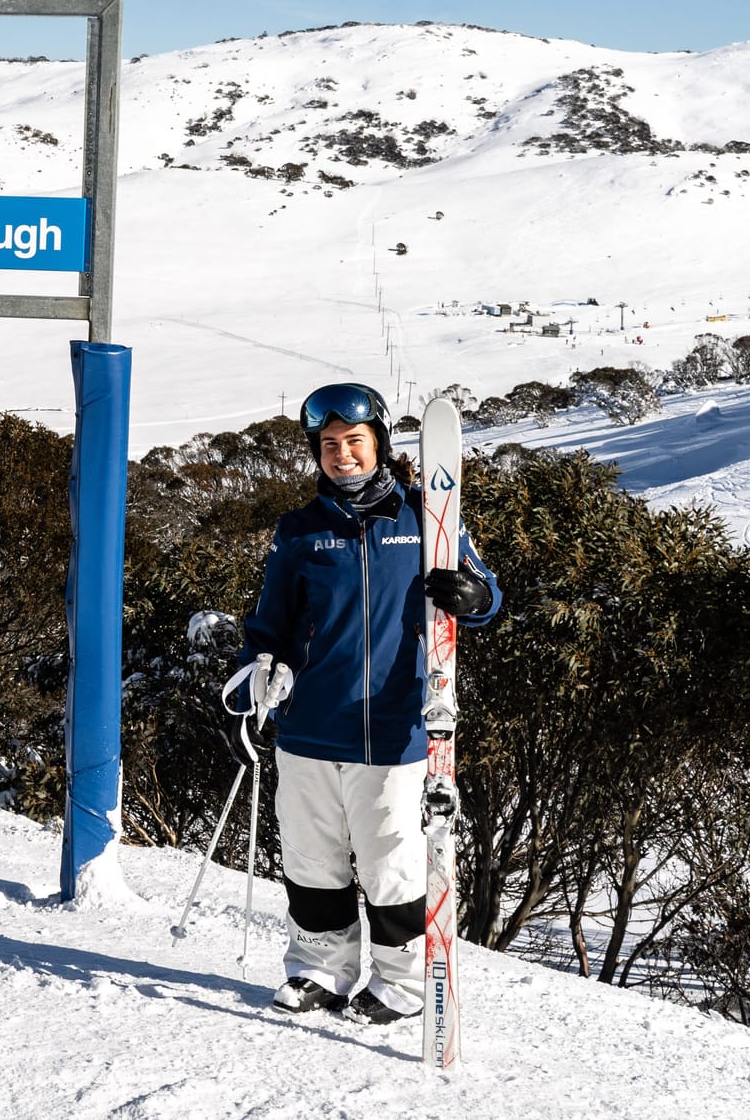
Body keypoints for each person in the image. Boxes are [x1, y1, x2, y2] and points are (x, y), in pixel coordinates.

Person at [229, 381, 500, 1025]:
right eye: (328, 445)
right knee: (311, 857)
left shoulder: (428, 513)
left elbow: (486, 591)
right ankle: (318, 971)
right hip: (309, 727)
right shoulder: (299, 530)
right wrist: (259, 669)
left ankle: (403, 985)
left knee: (394, 866)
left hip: (395, 729)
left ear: (378, 441)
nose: (341, 454)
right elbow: (269, 625)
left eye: (354, 441)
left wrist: (472, 597)